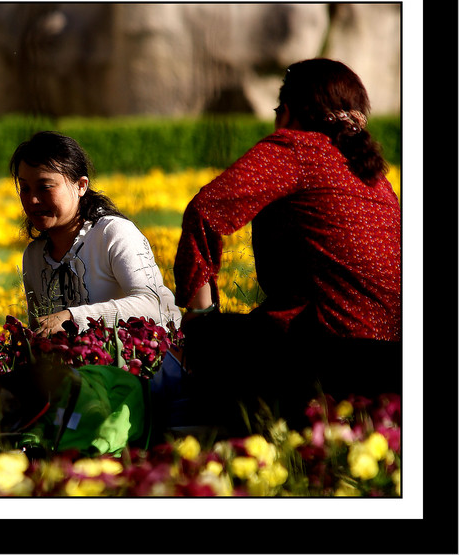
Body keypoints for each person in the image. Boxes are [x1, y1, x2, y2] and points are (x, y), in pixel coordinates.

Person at [172, 58, 402, 434]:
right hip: (395, 357)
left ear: (288, 112)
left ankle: (248, 438)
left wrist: (200, 317)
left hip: (335, 357)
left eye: (277, 110)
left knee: (211, 338)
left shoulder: (297, 147)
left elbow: (206, 210)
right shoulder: (372, 172)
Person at [10, 131, 181, 337]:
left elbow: (153, 306)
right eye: (25, 188)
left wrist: (72, 317)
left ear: (81, 185)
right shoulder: (34, 256)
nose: (33, 200)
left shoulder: (113, 234)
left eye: (45, 187)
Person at [0, 356, 151, 457]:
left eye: (7, 404)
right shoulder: (40, 401)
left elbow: (117, 424)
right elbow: (42, 423)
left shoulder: (78, 393)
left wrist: (94, 450)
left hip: (137, 420)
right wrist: (29, 446)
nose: (9, 408)